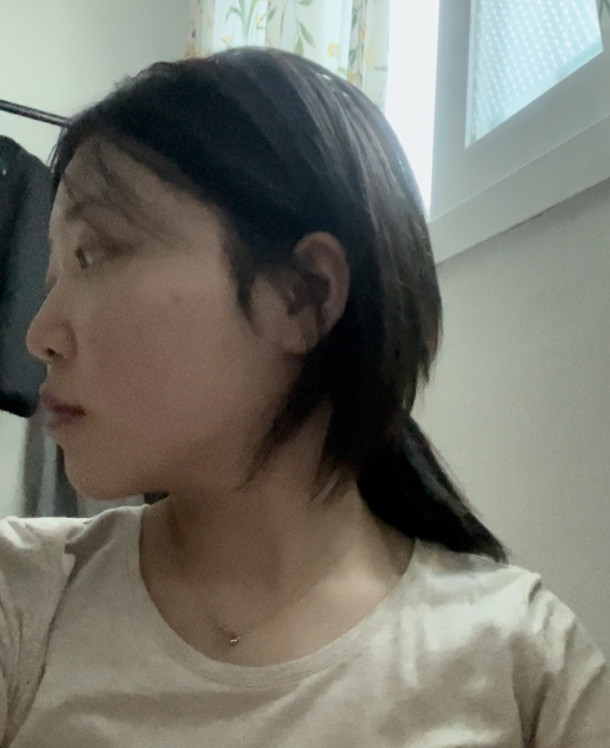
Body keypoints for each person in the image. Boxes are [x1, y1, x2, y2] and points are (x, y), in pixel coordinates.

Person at [0, 48, 607, 745]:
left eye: (93, 254)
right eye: (52, 278)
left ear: (302, 295)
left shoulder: (523, 660)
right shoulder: (25, 596)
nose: (39, 336)